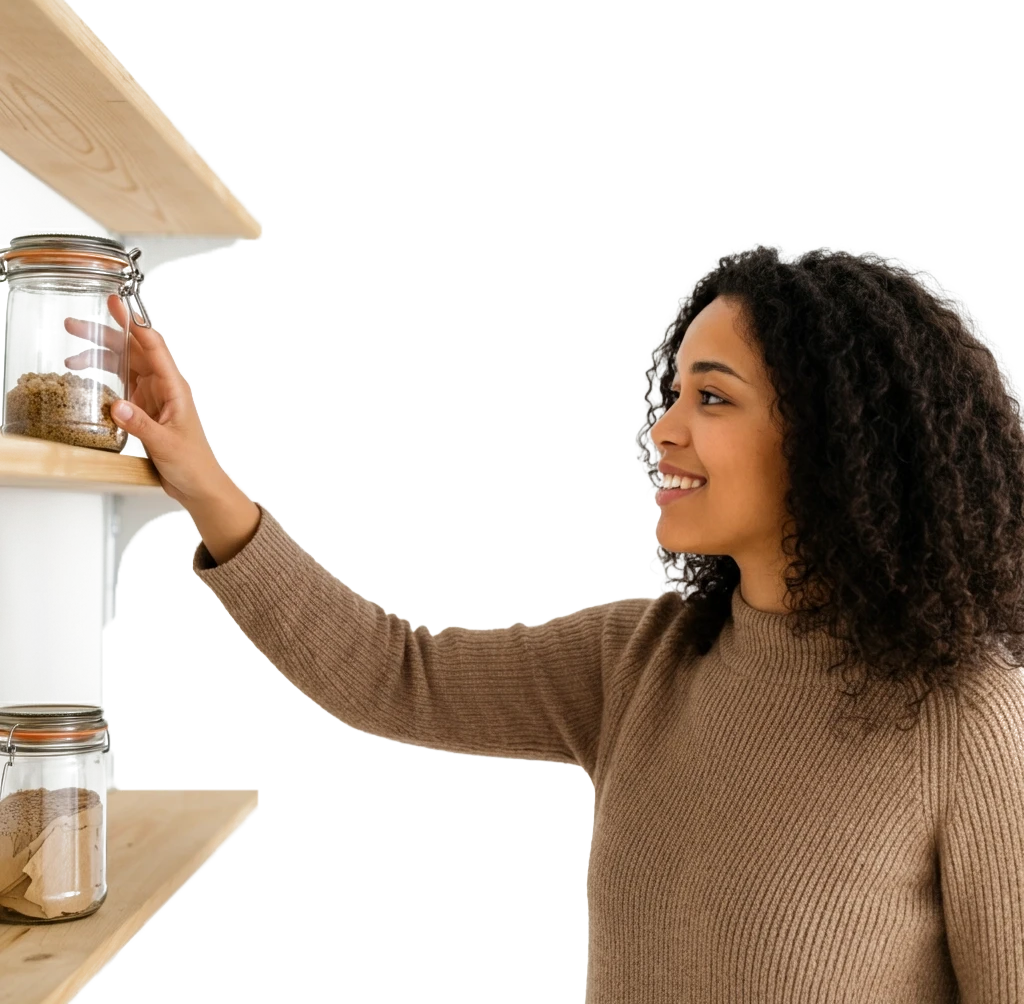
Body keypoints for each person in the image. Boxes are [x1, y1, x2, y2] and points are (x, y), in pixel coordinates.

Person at [99, 244, 1024, 1001]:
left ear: (833, 440)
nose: (664, 430)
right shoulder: (641, 663)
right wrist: (202, 480)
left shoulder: (969, 721)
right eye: (672, 394)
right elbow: (392, 674)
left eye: (711, 397)